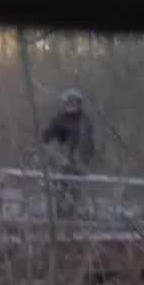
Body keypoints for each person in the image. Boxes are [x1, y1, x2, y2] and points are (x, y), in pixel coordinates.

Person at [38, 88, 96, 217]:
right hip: (62, 158)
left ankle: (75, 212)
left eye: (74, 103)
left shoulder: (85, 121)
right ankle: (59, 211)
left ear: (79, 104)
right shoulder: (59, 119)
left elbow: (89, 142)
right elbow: (49, 136)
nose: (71, 106)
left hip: (79, 159)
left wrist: (86, 156)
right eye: (69, 103)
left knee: (77, 187)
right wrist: (45, 135)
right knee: (60, 184)